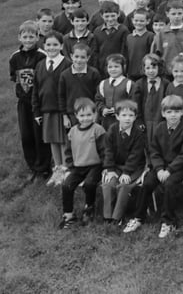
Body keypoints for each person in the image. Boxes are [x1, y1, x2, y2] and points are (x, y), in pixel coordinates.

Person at [123, 95, 183, 238]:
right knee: (147, 184)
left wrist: (169, 170)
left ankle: (168, 221)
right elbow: (154, 151)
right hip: (160, 167)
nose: (173, 115)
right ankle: (138, 217)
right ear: (163, 113)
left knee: (169, 185)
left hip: (178, 168)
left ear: (181, 112)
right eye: (169, 112)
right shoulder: (159, 128)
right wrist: (159, 169)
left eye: (176, 112)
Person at [10, 20, 49, 180]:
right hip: (23, 102)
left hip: (38, 101)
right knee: (26, 135)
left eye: (31, 36)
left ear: (37, 37)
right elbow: (15, 78)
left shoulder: (42, 56)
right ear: (19, 37)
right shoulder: (15, 57)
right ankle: (32, 165)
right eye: (25, 36)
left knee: (39, 134)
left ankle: (43, 167)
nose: (28, 40)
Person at [59, 98, 106, 228]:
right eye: (82, 115)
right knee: (66, 185)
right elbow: (68, 151)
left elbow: (104, 151)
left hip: (95, 165)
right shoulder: (72, 132)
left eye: (89, 115)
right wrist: (70, 166)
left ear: (95, 114)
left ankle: (89, 208)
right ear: (76, 116)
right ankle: (69, 215)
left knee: (90, 184)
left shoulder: (98, 130)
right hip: (78, 166)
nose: (86, 118)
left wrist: (105, 166)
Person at [32, 31, 71, 186]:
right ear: (44, 45)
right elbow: (36, 89)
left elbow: (69, 90)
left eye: (55, 44)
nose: (52, 47)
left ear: (61, 46)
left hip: (61, 110)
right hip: (46, 109)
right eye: (48, 44)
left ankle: (66, 170)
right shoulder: (40, 65)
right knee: (52, 140)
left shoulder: (67, 64)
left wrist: (66, 112)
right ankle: (57, 169)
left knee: (62, 141)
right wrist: (36, 111)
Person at [101, 99, 146, 225]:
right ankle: (107, 216)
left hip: (134, 167)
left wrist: (126, 172)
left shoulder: (138, 134)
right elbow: (108, 151)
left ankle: (117, 217)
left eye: (131, 115)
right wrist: (110, 170)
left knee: (124, 185)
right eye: (124, 115)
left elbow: (135, 156)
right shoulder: (112, 130)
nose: (127, 119)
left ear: (135, 117)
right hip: (116, 166)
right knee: (108, 184)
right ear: (117, 116)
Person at [151, 0, 183, 78]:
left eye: (179, 13)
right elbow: (155, 56)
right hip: (167, 74)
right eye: (173, 14)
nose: (177, 16)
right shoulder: (162, 34)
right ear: (167, 14)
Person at [132, 53, 167, 144]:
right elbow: (136, 104)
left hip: (160, 120)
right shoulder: (139, 84)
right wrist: (138, 121)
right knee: (146, 144)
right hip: (145, 121)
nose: (151, 71)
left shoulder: (166, 84)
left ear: (159, 67)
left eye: (154, 67)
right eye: (148, 68)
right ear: (143, 69)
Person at [95, 54, 134, 130]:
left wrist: (119, 109)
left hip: (124, 121)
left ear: (123, 67)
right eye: (110, 67)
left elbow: (133, 101)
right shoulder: (103, 84)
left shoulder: (129, 84)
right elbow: (98, 100)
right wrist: (103, 109)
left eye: (116, 66)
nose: (113, 69)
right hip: (107, 122)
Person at [94, 1, 129, 76]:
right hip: (102, 69)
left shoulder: (123, 30)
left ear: (118, 14)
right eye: (107, 16)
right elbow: (95, 52)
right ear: (101, 15)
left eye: (113, 16)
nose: (110, 19)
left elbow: (125, 52)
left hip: (118, 69)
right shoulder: (97, 31)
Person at [126, 9, 155, 81]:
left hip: (146, 73)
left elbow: (152, 55)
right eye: (136, 20)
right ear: (132, 20)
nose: (138, 23)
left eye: (142, 21)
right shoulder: (129, 37)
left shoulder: (150, 36)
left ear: (148, 21)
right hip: (131, 72)